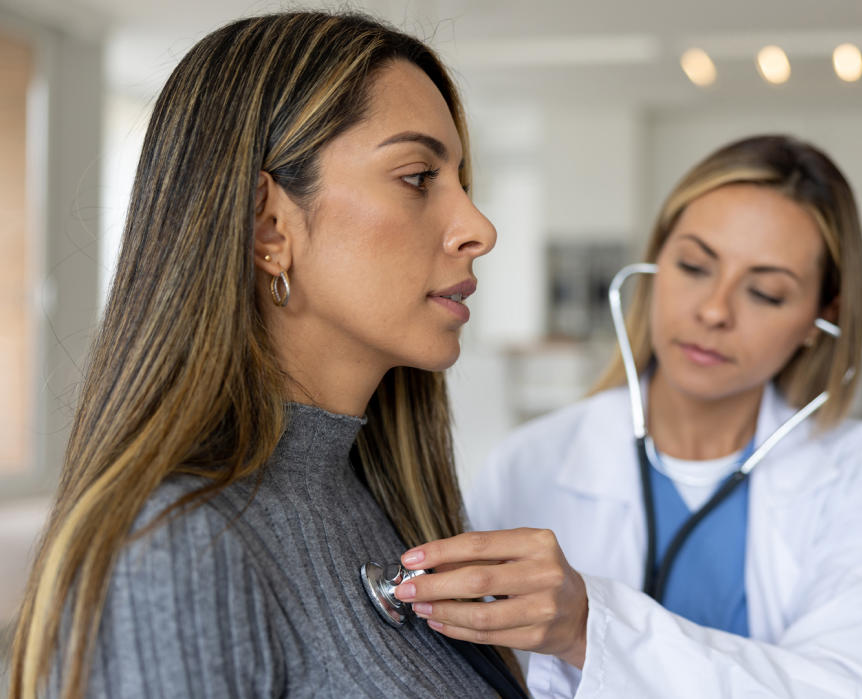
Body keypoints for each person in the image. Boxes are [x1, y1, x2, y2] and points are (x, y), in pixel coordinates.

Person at [7, 12, 528, 699]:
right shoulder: (173, 551)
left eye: (462, 182)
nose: (478, 228)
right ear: (268, 226)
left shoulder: (378, 501)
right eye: (416, 176)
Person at [398, 135, 862, 698]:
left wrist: (591, 629)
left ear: (820, 318)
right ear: (655, 266)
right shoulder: (532, 461)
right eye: (695, 266)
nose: (713, 310)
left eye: (767, 293)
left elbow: (848, 689)